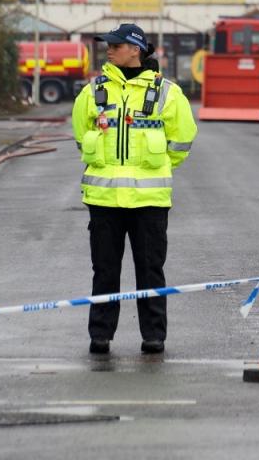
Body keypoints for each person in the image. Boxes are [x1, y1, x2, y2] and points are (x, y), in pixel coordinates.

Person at [71, 23, 197, 355]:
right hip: (103, 199)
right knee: (104, 272)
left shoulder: (167, 93)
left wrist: (160, 166)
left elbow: (182, 140)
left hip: (150, 200)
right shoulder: (93, 91)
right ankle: (101, 335)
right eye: (108, 45)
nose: (108, 49)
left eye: (116, 44)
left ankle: (153, 336)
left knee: (150, 272)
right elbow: (81, 134)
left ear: (135, 50)